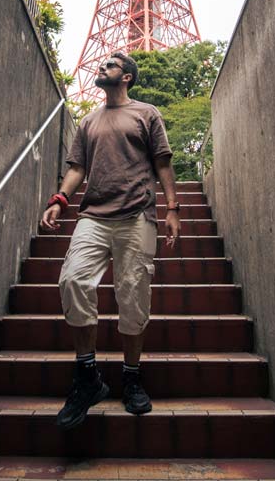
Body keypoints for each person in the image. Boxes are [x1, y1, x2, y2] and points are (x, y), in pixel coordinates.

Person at [40, 51, 181, 430]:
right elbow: (77, 168)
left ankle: (131, 376)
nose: (102, 68)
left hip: (137, 215)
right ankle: (87, 376)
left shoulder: (147, 113)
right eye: (102, 64)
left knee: (132, 297)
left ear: (127, 78)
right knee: (72, 280)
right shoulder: (87, 121)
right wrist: (60, 199)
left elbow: (163, 163)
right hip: (93, 215)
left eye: (111, 65)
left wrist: (172, 209)